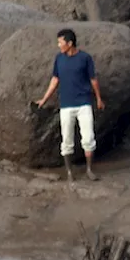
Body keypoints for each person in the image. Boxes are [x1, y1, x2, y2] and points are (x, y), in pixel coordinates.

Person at [36, 28, 104, 181]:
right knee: (66, 139)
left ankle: (89, 169)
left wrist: (99, 98)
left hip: (84, 103)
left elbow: (93, 79)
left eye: (60, 42)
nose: (58, 45)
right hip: (66, 105)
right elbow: (55, 80)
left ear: (70, 43)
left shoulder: (85, 58)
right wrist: (44, 99)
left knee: (88, 138)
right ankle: (69, 172)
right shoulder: (59, 59)